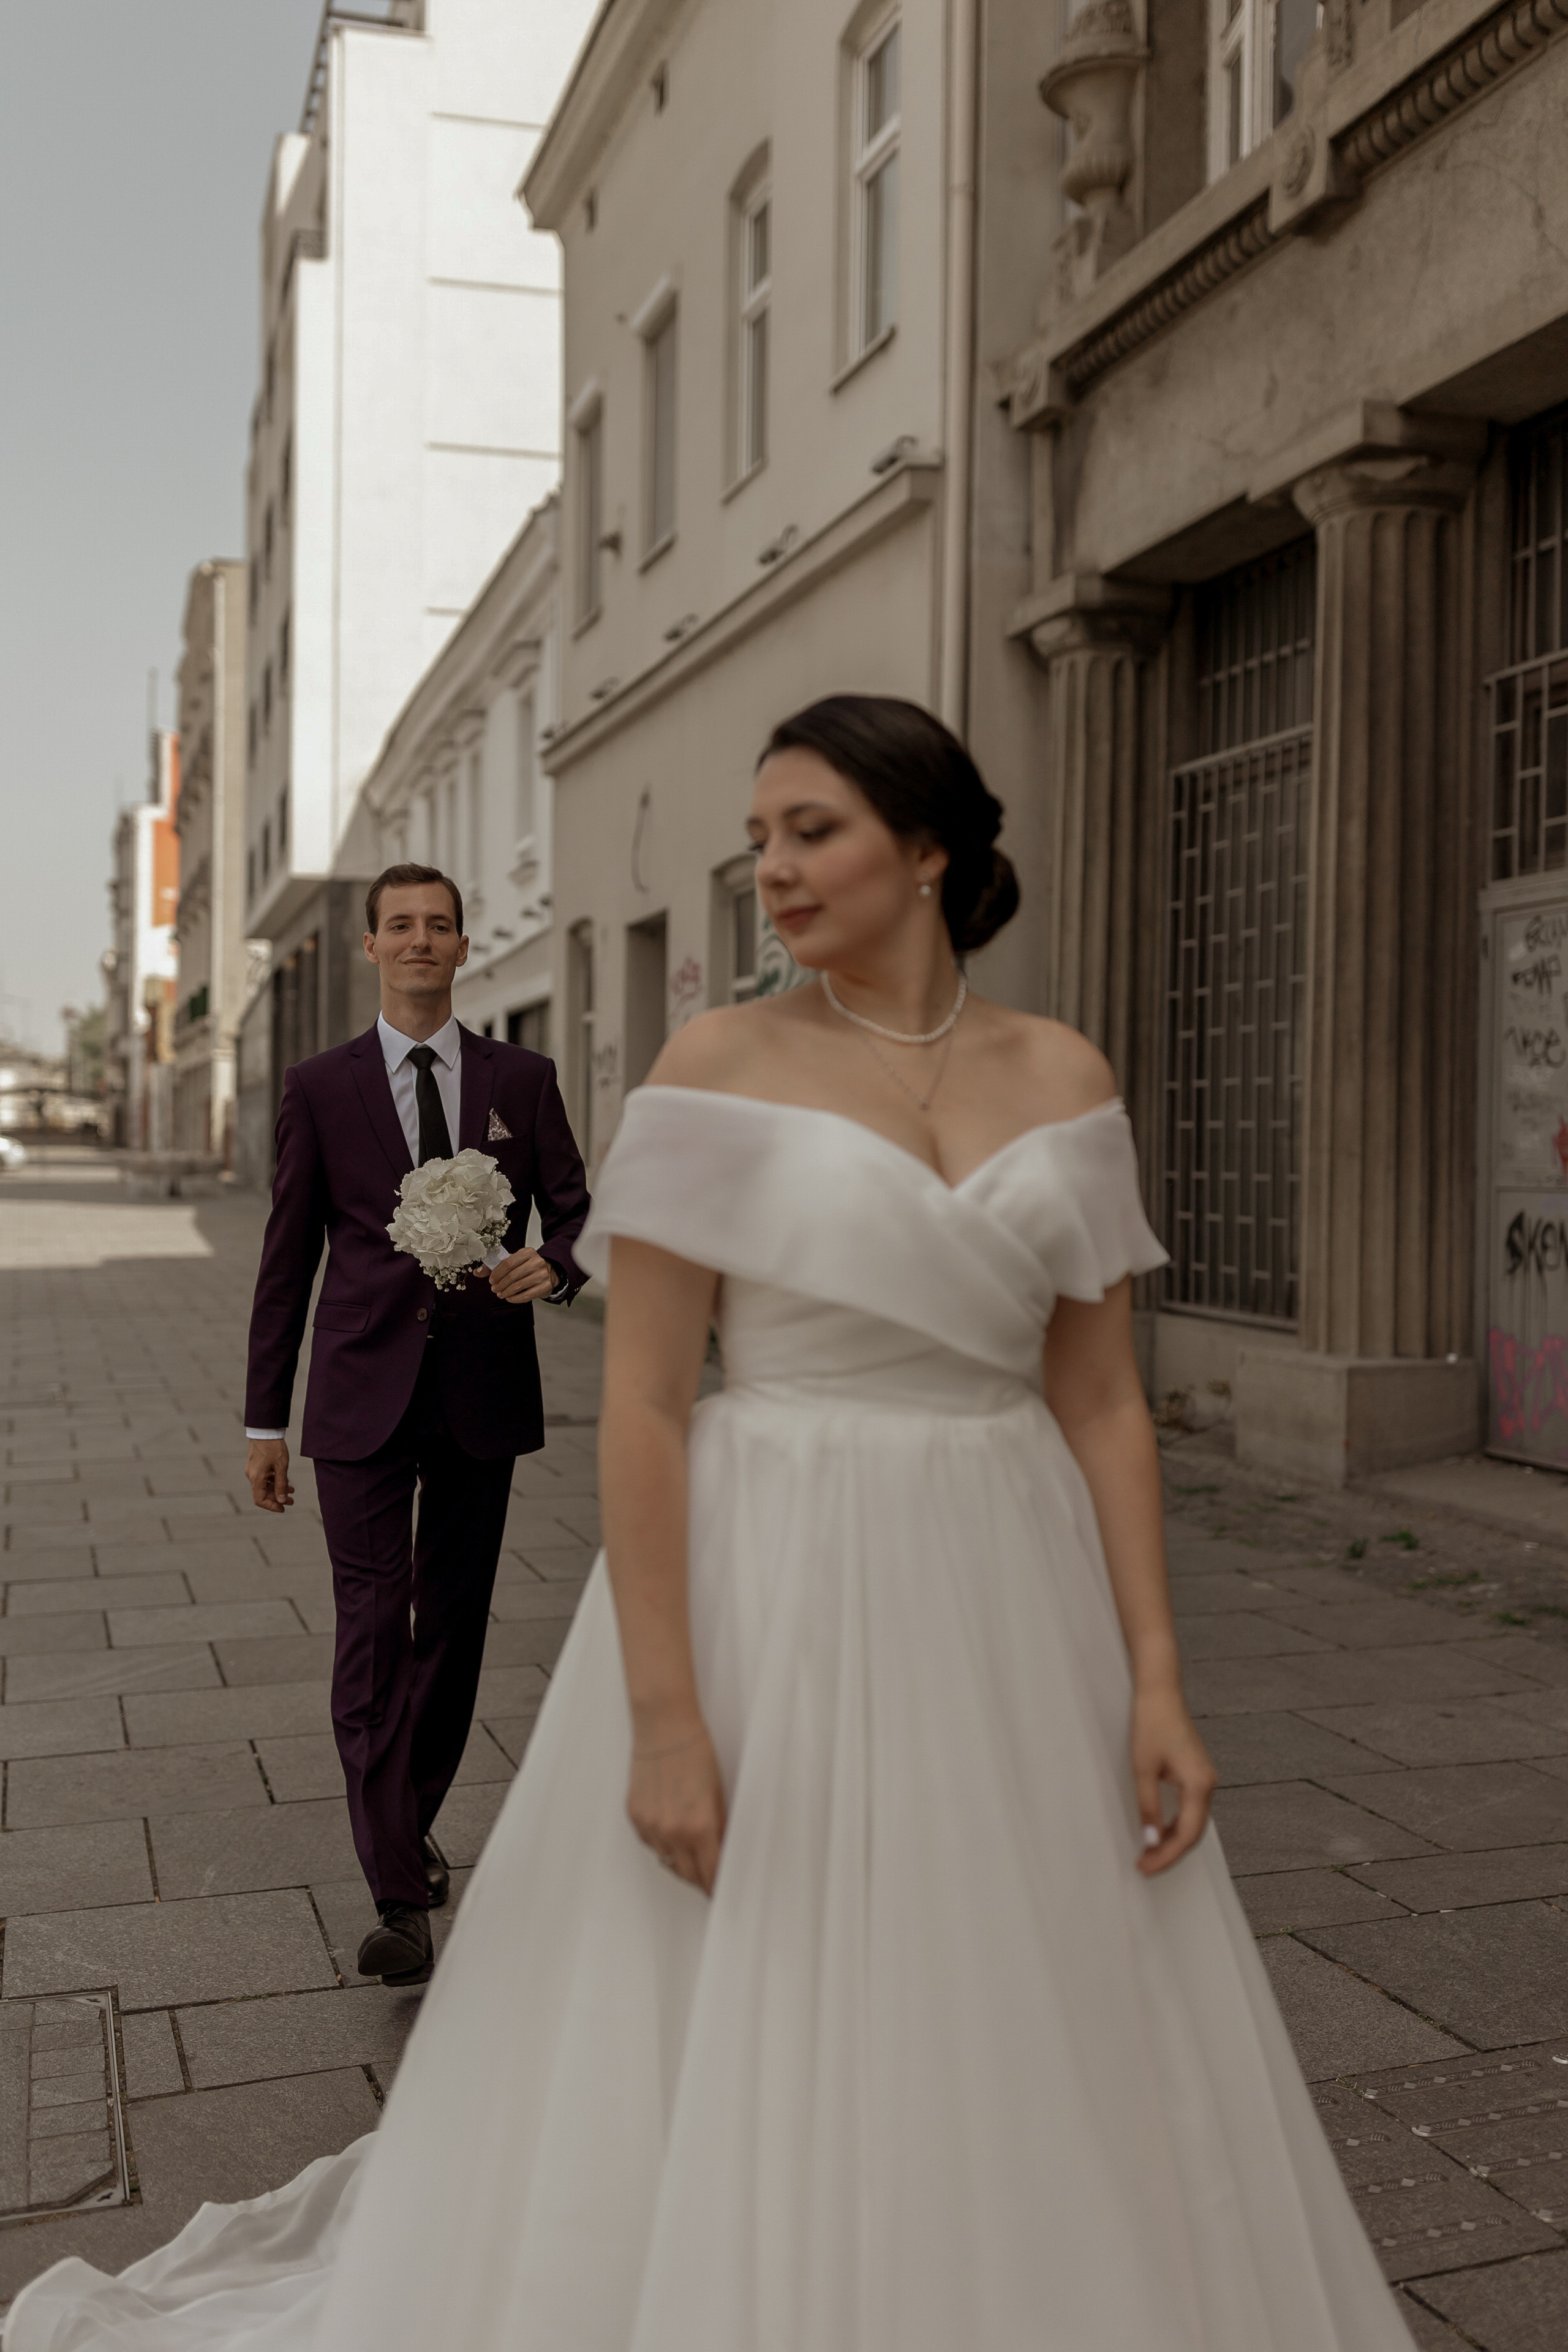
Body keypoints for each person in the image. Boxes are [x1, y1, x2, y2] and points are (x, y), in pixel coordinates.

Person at [4, 703, 1414, 2351]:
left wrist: (1159, 1675)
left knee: (1016, 1967)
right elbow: (655, 1407)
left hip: (1007, 1588)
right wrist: (667, 1716)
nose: (774, 869)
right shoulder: (719, 1066)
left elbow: (1101, 1400)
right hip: (776, 1575)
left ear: (930, 847)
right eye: (759, 838)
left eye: (811, 830)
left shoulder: (1064, 1075)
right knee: (736, 1976)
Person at [241, 863, 589, 1986]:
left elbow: (583, 1211)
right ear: (370, 946)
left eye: (439, 925)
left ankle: (411, 1814)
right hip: (358, 1394)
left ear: (463, 945)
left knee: (455, 1631)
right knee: (371, 1628)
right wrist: (263, 1419)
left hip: (482, 1390)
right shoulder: (319, 1086)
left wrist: (560, 1262)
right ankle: (396, 1888)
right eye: (401, 926)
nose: (421, 942)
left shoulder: (521, 1080)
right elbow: (287, 1260)